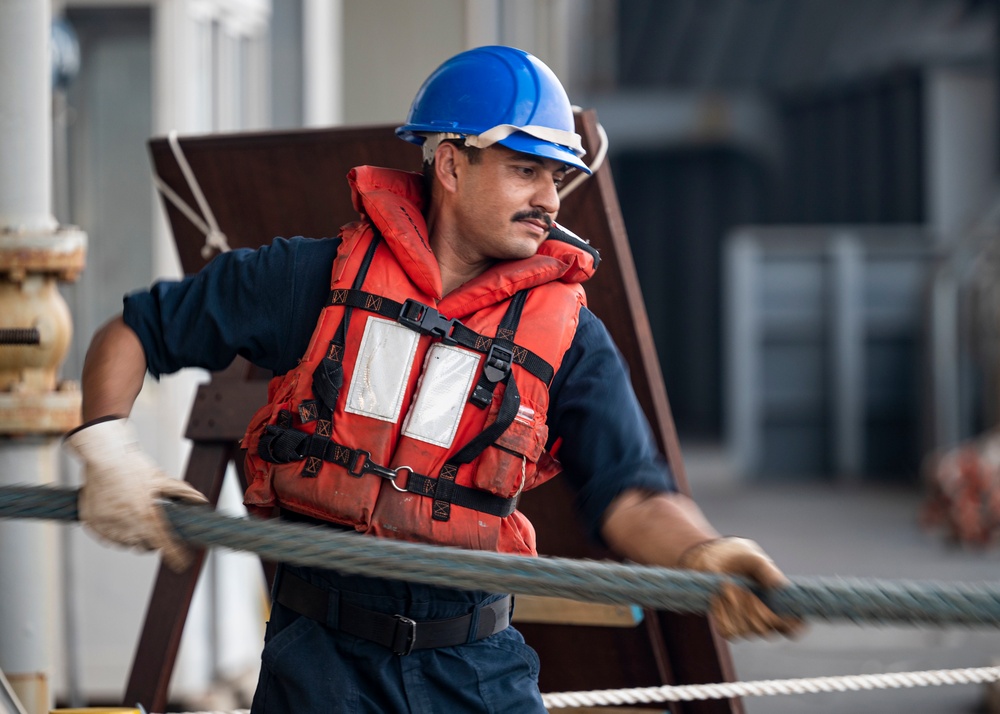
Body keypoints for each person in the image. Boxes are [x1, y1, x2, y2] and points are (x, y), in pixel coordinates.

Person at [65, 45, 800, 712]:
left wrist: (705, 554)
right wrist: (106, 451)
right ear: (450, 164)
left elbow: (631, 492)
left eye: (556, 176)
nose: (549, 198)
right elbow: (135, 332)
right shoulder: (311, 279)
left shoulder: (571, 338)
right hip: (316, 667)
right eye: (525, 168)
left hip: (475, 673)